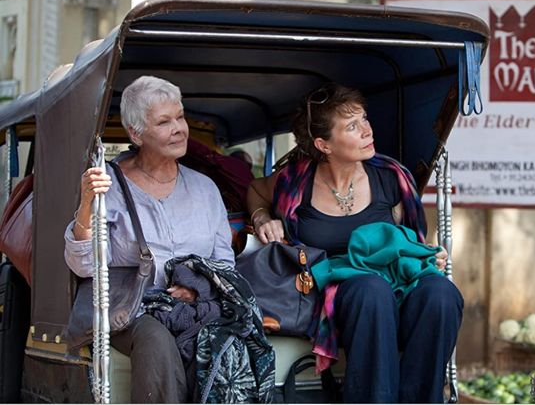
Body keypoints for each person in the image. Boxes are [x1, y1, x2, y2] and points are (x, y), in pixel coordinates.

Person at [246, 82, 463, 403]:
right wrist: (263, 217)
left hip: (395, 286)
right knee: (370, 288)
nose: (366, 130)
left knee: (441, 292)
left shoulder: (391, 177)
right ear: (324, 144)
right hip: (333, 290)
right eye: (351, 126)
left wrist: (429, 257)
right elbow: (256, 190)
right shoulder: (296, 181)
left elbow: (412, 243)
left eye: (364, 119)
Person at [64, 76, 234, 403]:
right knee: (156, 339)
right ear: (136, 133)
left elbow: (224, 263)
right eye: (164, 121)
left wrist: (197, 288)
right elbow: (84, 266)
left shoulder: (205, 188)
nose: (179, 128)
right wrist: (86, 206)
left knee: (228, 339)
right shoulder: (107, 184)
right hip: (130, 309)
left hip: (194, 305)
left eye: (180, 117)